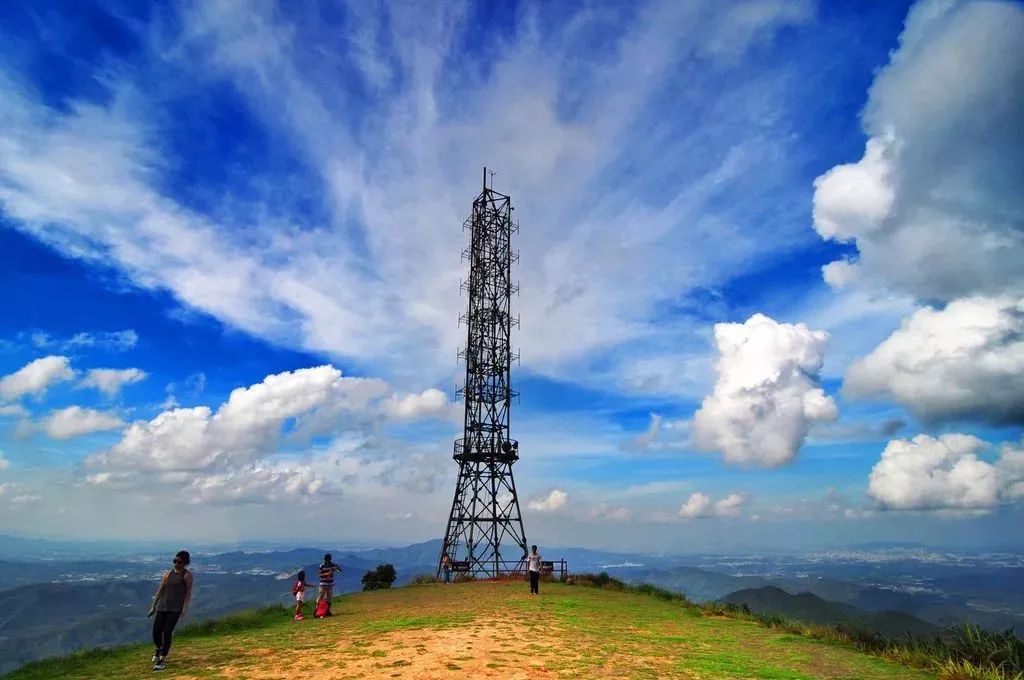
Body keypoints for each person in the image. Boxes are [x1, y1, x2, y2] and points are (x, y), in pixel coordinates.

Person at [148, 550, 193, 672]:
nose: (176, 564)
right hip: (162, 607)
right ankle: (159, 648)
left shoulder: (187, 576)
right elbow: (160, 590)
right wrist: (153, 606)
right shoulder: (167, 575)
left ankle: (162, 660)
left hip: (175, 609)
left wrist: (184, 608)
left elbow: (188, 594)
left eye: (179, 562)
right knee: (156, 632)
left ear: (185, 563)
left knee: (167, 632)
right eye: (175, 561)